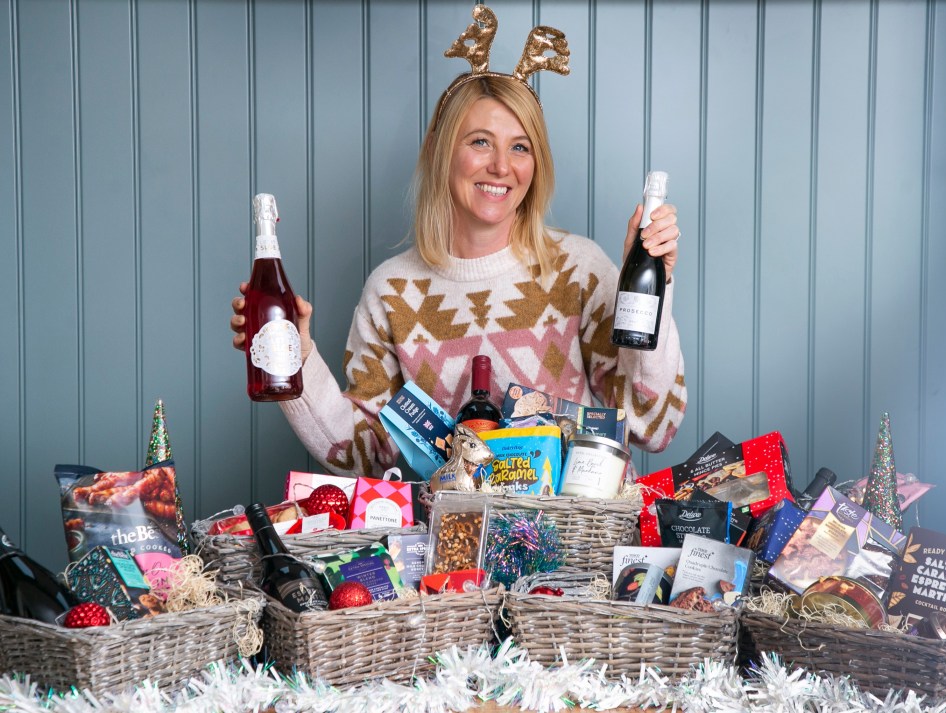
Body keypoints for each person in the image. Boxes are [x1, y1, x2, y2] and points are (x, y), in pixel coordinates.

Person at [231, 9, 686, 480]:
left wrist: (655, 282)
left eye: (520, 147)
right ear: (439, 150)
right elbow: (362, 452)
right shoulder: (392, 292)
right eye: (480, 142)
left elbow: (651, 426)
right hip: (456, 547)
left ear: (537, 164)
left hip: (578, 543)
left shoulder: (578, 270)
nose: (501, 166)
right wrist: (297, 357)